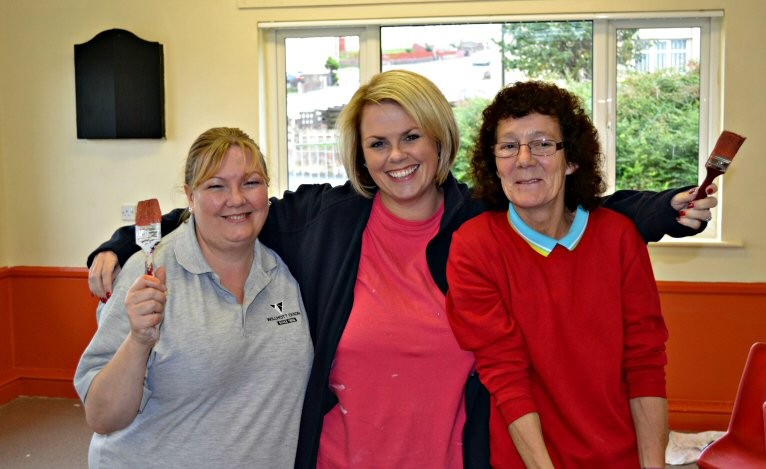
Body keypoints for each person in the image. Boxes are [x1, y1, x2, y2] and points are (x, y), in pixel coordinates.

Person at [84, 70, 716, 468]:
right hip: (340, 454)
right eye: (377, 143)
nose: (396, 157)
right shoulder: (323, 220)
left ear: (439, 140)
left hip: (451, 454)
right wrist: (122, 242)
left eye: (411, 137)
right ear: (360, 155)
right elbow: (227, 205)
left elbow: (565, 205)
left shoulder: (479, 223)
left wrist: (662, 207)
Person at [446, 81, 671, 468]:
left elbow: (645, 364)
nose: (524, 159)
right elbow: (506, 376)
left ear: (571, 159)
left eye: (543, 144)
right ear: (494, 161)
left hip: (621, 457)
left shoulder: (618, 237)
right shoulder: (475, 246)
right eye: (508, 146)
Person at [74, 127, 313, 468]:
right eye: (216, 185)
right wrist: (139, 340)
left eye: (251, 182)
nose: (236, 199)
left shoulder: (285, 274)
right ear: (190, 196)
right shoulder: (148, 276)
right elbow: (102, 417)